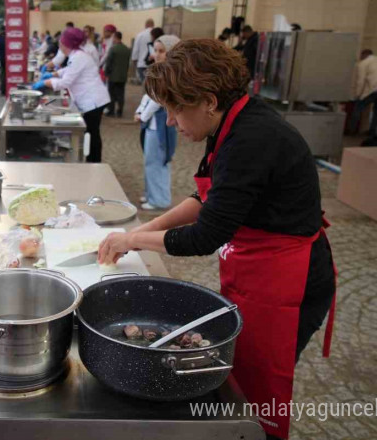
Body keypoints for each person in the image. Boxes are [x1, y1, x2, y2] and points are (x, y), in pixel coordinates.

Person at [98, 39, 336, 440]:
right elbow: (204, 199)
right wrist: (140, 232)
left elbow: (206, 235)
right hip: (256, 266)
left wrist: (135, 242)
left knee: (256, 387)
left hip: (288, 280)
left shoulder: (252, 138)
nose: (171, 121)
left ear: (208, 100)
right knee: (237, 371)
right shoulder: (231, 123)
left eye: (176, 109)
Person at [34, 27, 110, 163]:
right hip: (92, 99)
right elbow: (69, 70)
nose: (60, 44)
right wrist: (53, 74)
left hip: (93, 101)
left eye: (61, 42)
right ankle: (92, 161)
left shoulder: (79, 57)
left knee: (92, 134)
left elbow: (65, 82)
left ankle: (94, 163)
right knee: (91, 133)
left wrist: (45, 82)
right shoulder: (76, 55)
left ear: (67, 43)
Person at [135, 35, 180, 211]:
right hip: (152, 126)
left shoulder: (170, 74)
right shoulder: (161, 71)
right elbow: (148, 95)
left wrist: (143, 116)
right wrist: (140, 111)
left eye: (162, 51)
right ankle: (151, 194)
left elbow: (157, 98)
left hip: (161, 127)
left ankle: (159, 199)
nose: (157, 54)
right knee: (150, 161)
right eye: (156, 50)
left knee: (158, 162)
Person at [104, 31, 130, 117]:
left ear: (115, 37)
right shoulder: (126, 49)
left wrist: (106, 72)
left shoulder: (113, 49)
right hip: (122, 76)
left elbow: (109, 62)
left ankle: (111, 110)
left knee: (111, 94)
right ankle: (120, 111)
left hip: (113, 75)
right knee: (121, 94)